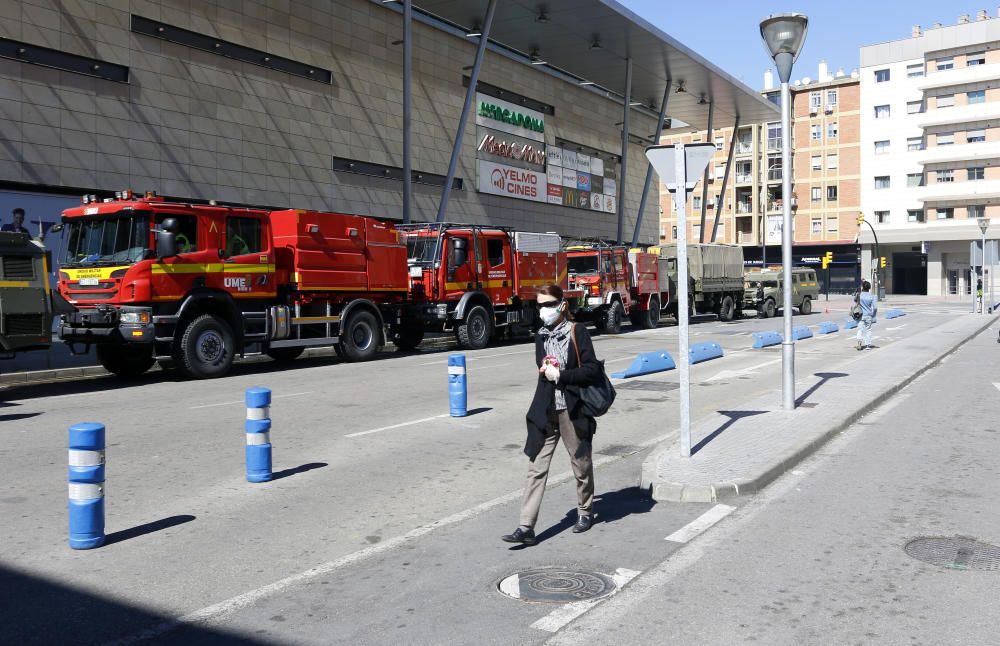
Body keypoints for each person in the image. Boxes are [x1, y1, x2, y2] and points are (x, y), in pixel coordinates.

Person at [502, 284, 602, 546]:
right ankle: (526, 526)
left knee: (580, 464)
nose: (543, 310)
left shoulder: (577, 331)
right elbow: (540, 365)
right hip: (547, 410)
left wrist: (562, 375)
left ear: (561, 305)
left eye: (548, 304)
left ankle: (585, 512)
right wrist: (545, 369)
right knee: (536, 467)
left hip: (573, 409)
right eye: (539, 305)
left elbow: (591, 370)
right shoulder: (540, 335)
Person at [855, 280, 878, 350]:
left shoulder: (860, 295)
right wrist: (873, 315)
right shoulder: (872, 296)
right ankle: (868, 345)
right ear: (869, 288)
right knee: (868, 330)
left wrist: (857, 294)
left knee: (860, 329)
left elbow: (855, 300)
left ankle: (859, 341)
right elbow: (875, 307)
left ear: (862, 287)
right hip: (868, 315)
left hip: (860, 315)